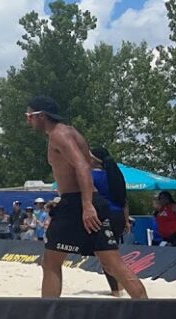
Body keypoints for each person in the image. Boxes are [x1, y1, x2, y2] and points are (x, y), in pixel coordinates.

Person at [24, 95, 146, 299]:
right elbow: (89, 162)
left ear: (42, 116)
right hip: (87, 201)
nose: (27, 120)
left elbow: (82, 165)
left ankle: (46, 316)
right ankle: (147, 310)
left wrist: (87, 205)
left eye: (29, 116)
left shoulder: (58, 135)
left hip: (77, 203)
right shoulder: (72, 132)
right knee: (112, 263)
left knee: (51, 263)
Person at [90, 146, 132, 296]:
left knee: (107, 257)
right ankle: (119, 288)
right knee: (111, 255)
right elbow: (124, 200)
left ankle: (118, 290)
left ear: (94, 160)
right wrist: (126, 221)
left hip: (104, 216)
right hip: (119, 216)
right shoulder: (115, 175)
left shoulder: (91, 176)